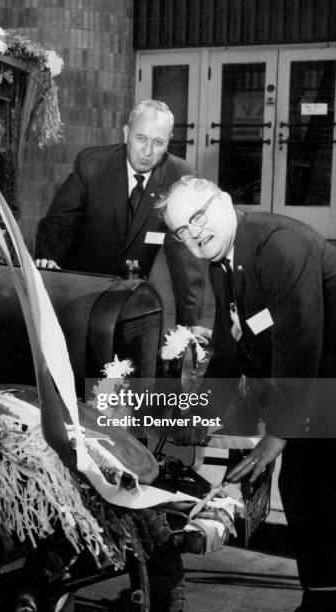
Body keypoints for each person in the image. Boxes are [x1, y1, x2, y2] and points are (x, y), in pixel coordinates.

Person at [159, 175, 336, 612]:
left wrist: (276, 436)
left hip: (322, 375)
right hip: (319, 382)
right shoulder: (226, 260)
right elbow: (232, 341)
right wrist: (198, 415)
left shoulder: (276, 244)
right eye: (182, 230)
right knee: (305, 487)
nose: (194, 233)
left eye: (197, 217)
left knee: (311, 485)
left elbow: (299, 343)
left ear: (223, 200)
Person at [35, 99, 208, 327]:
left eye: (158, 142)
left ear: (168, 142)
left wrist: (189, 322)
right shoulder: (92, 165)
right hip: (82, 289)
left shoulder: (179, 176)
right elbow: (59, 223)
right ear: (126, 133)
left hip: (133, 296)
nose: (147, 152)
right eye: (140, 138)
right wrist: (49, 272)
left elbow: (184, 253)